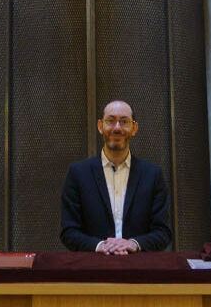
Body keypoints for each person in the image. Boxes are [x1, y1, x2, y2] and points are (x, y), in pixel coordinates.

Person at [59, 99, 172, 253]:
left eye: (124, 122)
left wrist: (133, 244)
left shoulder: (153, 175)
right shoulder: (78, 174)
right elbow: (69, 231)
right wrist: (100, 246)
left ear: (134, 128)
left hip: (140, 269)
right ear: (100, 126)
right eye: (110, 121)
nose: (117, 128)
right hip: (92, 269)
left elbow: (163, 232)